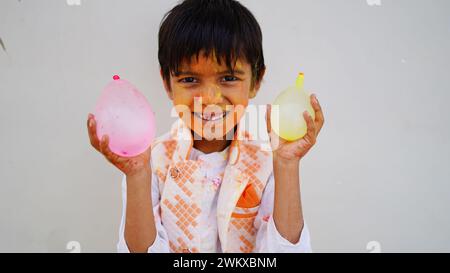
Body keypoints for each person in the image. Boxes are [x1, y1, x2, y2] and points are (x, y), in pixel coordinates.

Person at [87, 0, 324, 253]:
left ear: (256, 80)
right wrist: (137, 177)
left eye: (228, 78)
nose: (210, 98)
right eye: (190, 79)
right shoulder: (150, 162)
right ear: (168, 84)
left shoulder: (269, 160)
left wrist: (287, 166)